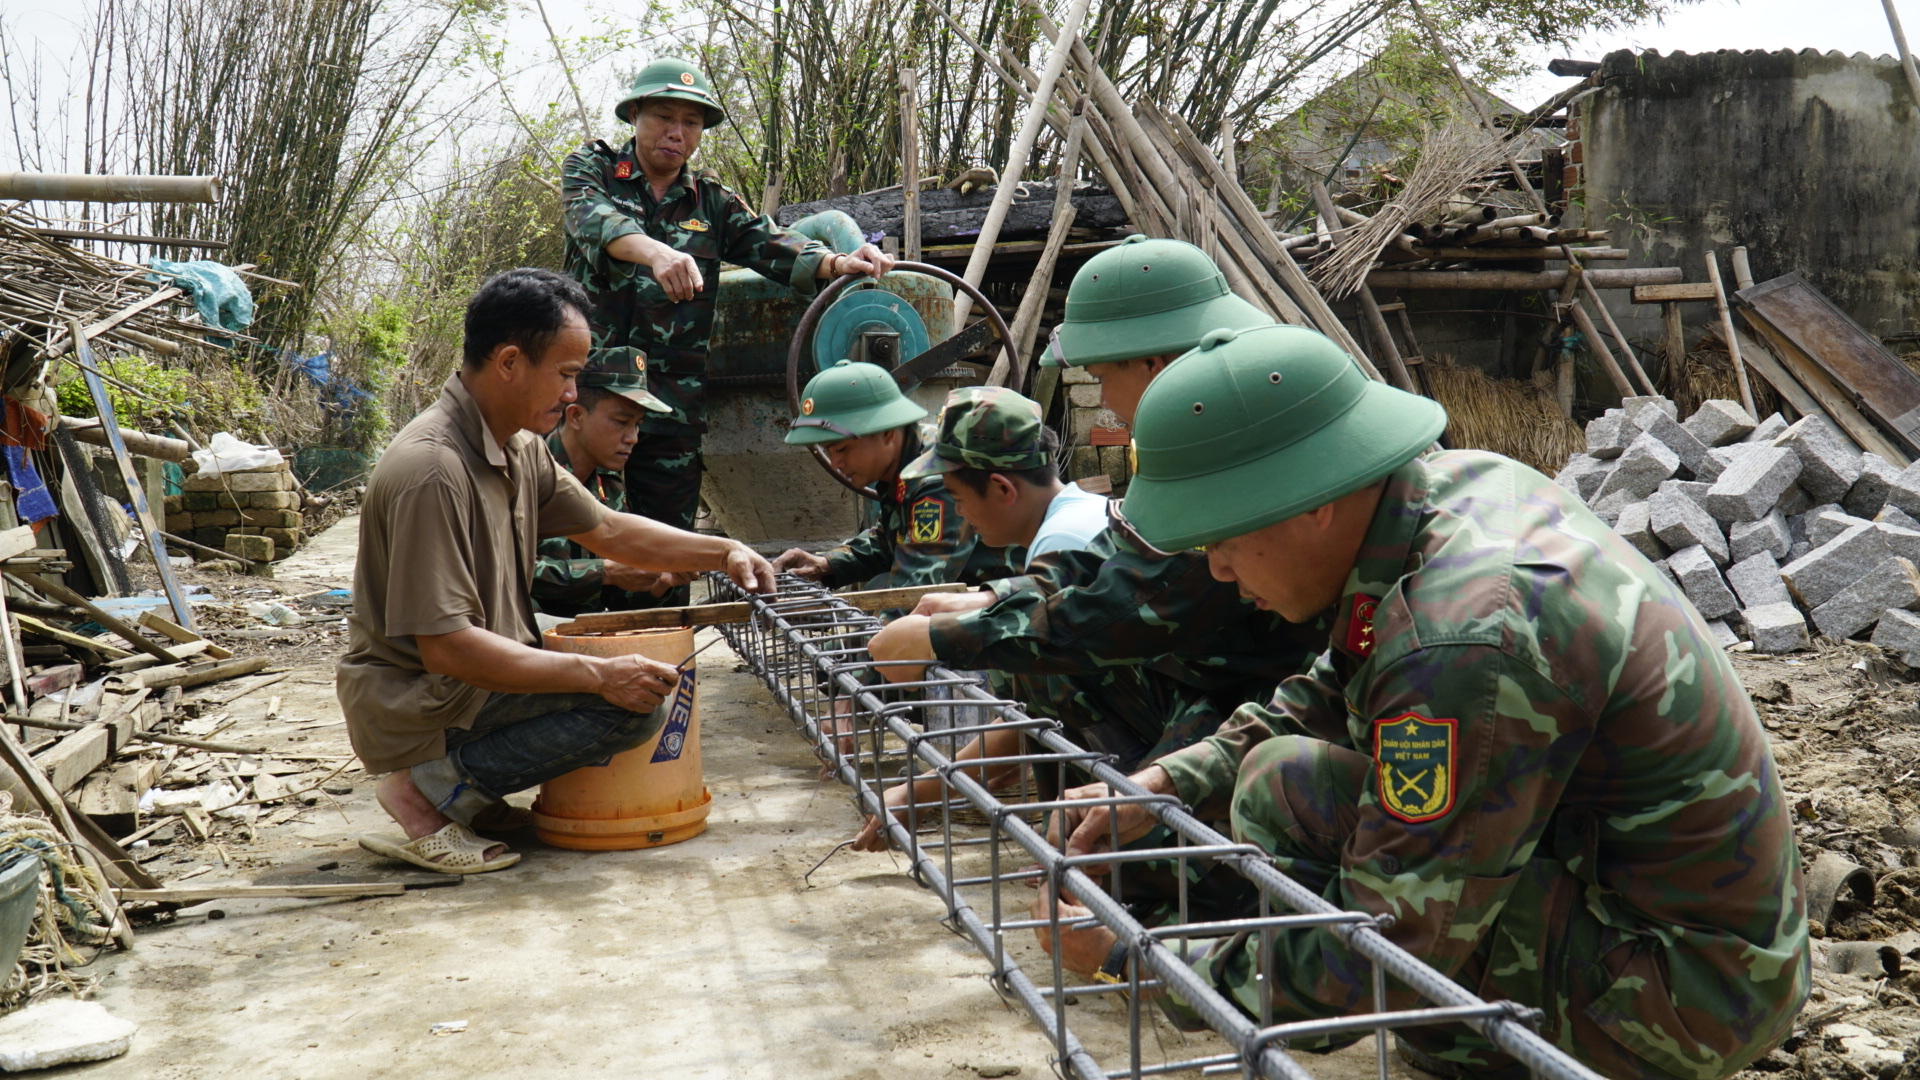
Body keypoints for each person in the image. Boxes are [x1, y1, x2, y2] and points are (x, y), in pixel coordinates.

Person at [1037, 324, 1810, 1080]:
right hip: (1664, 916)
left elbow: (1390, 950)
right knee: (1281, 781)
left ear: (1312, 502)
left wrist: (1129, 958)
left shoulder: (1464, 636)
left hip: (1688, 1000)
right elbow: (1336, 684)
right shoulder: (1447, 489)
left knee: (1357, 898)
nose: (1218, 570)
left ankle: (1500, 1051)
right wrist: (1172, 781)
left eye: (1223, 537)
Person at [338, 268, 775, 875]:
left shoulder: (515, 446)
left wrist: (720, 552)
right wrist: (597, 675)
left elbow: (608, 530)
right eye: (567, 375)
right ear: (511, 361)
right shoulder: (433, 470)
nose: (574, 394)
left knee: (612, 666)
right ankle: (421, 792)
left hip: (465, 682)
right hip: (421, 699)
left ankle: (466, 792)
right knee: (630, 702)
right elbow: (446, 649)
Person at [864, 236, 1326, 784]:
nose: (1103, 400)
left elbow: (1121, 608)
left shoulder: (1237, 452)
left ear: (1156, 365)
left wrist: (948, 638)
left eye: (1104, 378)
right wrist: (993, 596)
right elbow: (1117, 553)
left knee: (1140, 799)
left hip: (1289, 701)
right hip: (1232, 686)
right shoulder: (1187, 446)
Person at [561, 57, 894, 608]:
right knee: (582, 534)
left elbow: (770, 244)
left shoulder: (711, 202)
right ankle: (578, 666)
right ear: (635, 115)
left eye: (690, 123)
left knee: (671, 550)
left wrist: (838, 262)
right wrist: (659, 252)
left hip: (671, 406)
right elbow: (597, 223)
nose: (676, 132)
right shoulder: (592, 170)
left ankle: (661, 668)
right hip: (593, 399)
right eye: (663, 117)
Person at [845, 386, 1106, 850]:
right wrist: (921, 793)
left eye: (959, 499)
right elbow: (1031, 723)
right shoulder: (1075, 517)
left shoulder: (1061, 544)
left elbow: (1046, 715)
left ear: (1003, 489)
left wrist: (930, 638)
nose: (957, 512)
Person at [770, 361, 1010, 592]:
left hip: (1014, 600)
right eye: (827, 451)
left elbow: (918, 587)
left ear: (886, 433)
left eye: (842, 449)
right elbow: (892, 541)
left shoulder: (936, 479)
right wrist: (827, 563)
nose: (835, 464)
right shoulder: (904, 460)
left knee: (881, 590)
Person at [532, 364, 691, 618]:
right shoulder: (527, 473)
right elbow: (505, 572)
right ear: (575, 417)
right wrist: (605, 572)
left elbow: (618, 601)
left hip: (583, 638)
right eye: (621, 422)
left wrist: (660, 583)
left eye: (638, 424)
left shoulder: (608, 483)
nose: (633, 438)